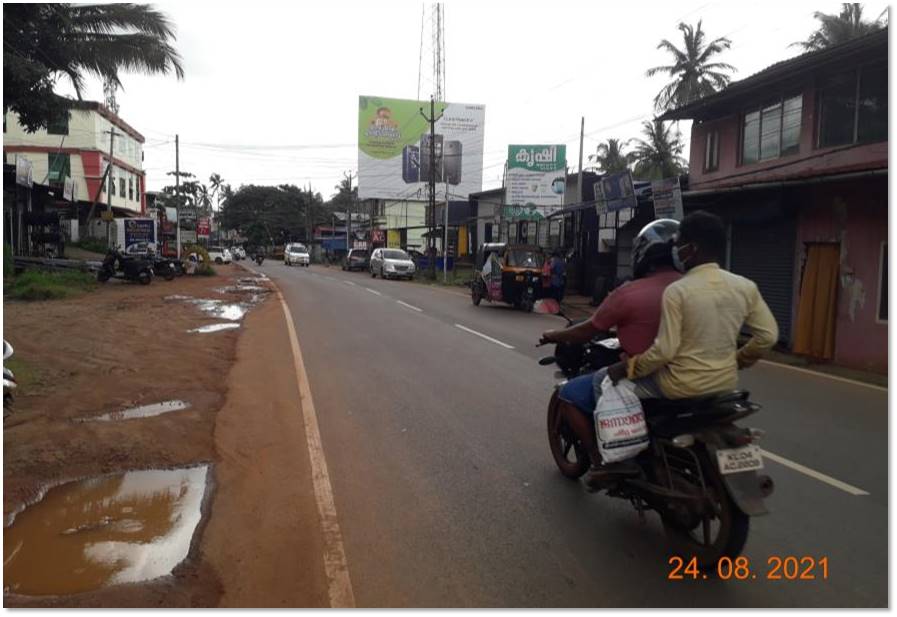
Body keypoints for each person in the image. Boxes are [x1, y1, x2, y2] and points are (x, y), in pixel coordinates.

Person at [603, 211, 779, 475]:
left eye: (679, 244)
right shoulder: (745, 287)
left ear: (692, 249)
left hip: (678, 387)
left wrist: (627, 368)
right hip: (725, 385)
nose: (677, 251)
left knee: (611, 387)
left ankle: (624, 460)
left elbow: (664, 351)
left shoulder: (679, 291)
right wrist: (738, 360)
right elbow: (768, 336)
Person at [540, 219, 682, 485]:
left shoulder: (629, 293)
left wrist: (553, 335)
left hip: (646, 376)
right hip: (692, 378)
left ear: (642, 254)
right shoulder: (691, 288)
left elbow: (589, 329)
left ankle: (600, 460)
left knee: (569, 394)